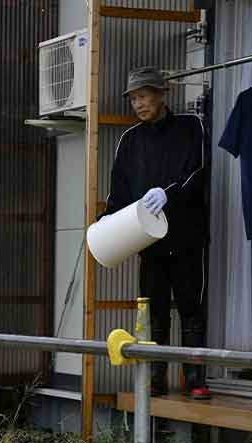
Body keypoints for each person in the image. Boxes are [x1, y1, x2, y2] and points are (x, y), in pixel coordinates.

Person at [103, 66, 211, 398]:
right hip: (147, 240)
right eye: (134, 98)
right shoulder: (130, 140)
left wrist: (170, 192)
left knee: (191, 307)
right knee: (154, 310)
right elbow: (119, 191)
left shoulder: (190, 127)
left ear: (163, 94)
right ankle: (156, 377)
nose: (138, 104)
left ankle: (195, 378)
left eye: (144, 96)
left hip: (187, 235)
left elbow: (199, 171)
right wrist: (107, 222)